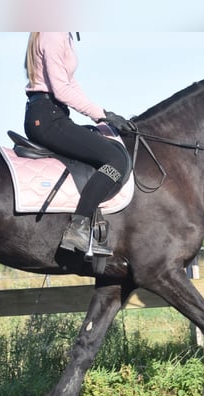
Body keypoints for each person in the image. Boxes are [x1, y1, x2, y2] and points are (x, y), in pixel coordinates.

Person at [24, 32, 131, 257]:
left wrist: (102, 117)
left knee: (109, 145)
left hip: (55, 115)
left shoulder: (62, 32)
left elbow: (70, 83)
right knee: (115, 160)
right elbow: (61, 90)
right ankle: (78, 226)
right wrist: (101, 115)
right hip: (46, 117)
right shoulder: (53, 33)